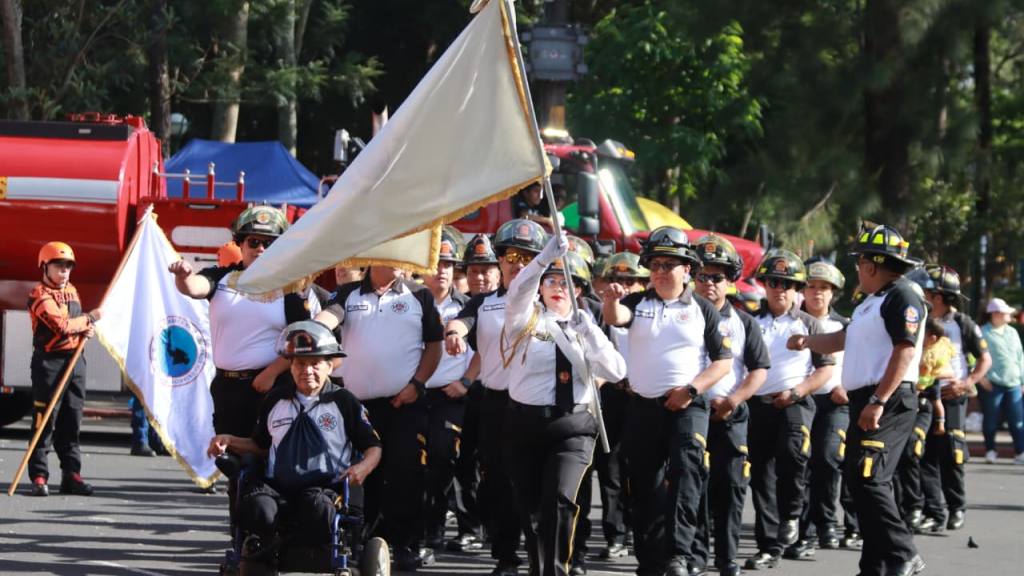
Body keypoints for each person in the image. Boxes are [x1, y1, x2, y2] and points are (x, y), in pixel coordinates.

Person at [789, 223, 926, 576]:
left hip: (888, 399)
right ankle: (875, 566)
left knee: (869, 477)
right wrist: (806, 342)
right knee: (857, 480)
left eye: (859, 264)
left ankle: (903, 554)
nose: (858, 272)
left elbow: (905, 352)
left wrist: (879, 400)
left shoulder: (902, 295)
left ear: (869, 266)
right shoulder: (870, 303)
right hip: (865, 398)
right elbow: (840, 340)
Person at [168, 205, 319, 521]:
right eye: (253, 242)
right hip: (227, 386)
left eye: (269, 243)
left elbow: (303, 341)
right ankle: (243, 541)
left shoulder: (289, 288)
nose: (260, 249)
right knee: (234, 464)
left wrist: (272, 372)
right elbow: (195, 287)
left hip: (271, 388)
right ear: (240, 243)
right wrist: (183, 276)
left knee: (268, 460)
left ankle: (271, 531)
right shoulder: (222, 278)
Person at [603, 226, 733, 576]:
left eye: (669, 265)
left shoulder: (704, 309)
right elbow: (617, 319)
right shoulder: (638, 303)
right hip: (644, 408)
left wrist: (691, 390)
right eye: (655, 265)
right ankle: (650, 560)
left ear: (687, 269)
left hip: (688, 407)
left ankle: (679, 554)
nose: (660, 272)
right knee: (643, 486)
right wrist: (611, 301)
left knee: (686, 474)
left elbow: (723, 361)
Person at [206, 320, 382, 568]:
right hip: (279, 486)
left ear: (329, 365)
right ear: (290, 366)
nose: (307, 371)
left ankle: (315, 557)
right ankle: (265, 556)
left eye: (315, 364)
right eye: (300, 364)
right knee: (257, 508)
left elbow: (373, 447)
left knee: (316, 508)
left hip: (326, 486)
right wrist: (228, 440)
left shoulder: (343, 402)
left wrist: (363, 468)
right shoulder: (276, 400)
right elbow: (259, 445)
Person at [502, 233, 626, 576]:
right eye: (551, 280)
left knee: (559, 500)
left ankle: (554, 571)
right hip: (525, 425)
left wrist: (590, 334)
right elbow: (517, 292)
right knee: (530, 510)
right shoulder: (523, 319)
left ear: (580, 290)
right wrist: (541, 260)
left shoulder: (587, 325)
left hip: (572, 428)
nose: (558, 287)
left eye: (567, 282)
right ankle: (537, 566)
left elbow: (616, 371)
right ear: (541, 287)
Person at [315, 259, 444, 571]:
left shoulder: (419, 295)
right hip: (359, 409)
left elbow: (434, 345)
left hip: (405, 403)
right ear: (376, 259)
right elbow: (327, 319)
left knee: (406, 474)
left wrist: (417, 384)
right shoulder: (347, 294)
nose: (402, 263)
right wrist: (315, 327)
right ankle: (361, 542)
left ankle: (405, 545)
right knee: (362, 476)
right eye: (394, 257)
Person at [445, 218, 548, 576]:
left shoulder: (549, 301)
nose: (518, 263)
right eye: (510, 256)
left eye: (527, 257)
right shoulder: (484, 303)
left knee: (535, 484)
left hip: (538, 407)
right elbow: (461, 321)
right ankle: (506, 557)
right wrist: (454, 334)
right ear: (500, 260)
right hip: (494, 404)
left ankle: (542, 558)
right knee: (498, 482)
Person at [744, 250, 834, 571]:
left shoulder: (810, 323)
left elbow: (824, 370)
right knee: (762, 476)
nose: (779, 288)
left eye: (786, 283)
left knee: (794, 456)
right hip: (758, 405)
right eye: (773, 282)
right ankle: (769, 545)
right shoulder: (750, 321)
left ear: (797, 289)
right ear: (764, 285)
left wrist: (796, 392)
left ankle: (793, 513)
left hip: (796, 402)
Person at [691, 234, 770, 576]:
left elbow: (760, 371)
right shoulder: (680, 317)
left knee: (731, 488)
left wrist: (734, 400)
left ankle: (726, 559)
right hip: (688, 415)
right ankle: (692, 558)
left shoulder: (744, 322)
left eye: (717, 277)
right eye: (703, 275)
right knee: (691, 489)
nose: (709, 283)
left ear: (730, 281)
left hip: (730, 416)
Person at [790, 256, 856, 557]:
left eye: (824, 288)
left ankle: (828, 521)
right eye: (811, 286)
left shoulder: (846, 326)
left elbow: (859, 362)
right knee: (800, 463)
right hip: (799, 401)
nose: (817, 293)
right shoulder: (790, 321)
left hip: (833, 403)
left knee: (829, 460)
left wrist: (847, 387)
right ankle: (804, 529)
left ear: (834, 293)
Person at [917, 264, 990, 532]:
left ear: (937, 296)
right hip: (923, 395)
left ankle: (956, 507)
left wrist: (966, 383)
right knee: (923, 453)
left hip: (952, 396)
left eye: (926, 292)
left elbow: (985, 359)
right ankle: (933, 511)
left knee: (952, 453)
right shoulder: (919, 320)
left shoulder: (962, 323)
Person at [27, 241, 102, 497]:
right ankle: (39, 476)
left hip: (75, 361)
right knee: (44, 420)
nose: (65, 272)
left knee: (72, 420)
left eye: (68, 267)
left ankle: (72, 475)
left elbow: (76, 326)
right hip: (49, 363)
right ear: (45, 267)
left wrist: (87, 329)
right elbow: (61, 325)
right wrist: (89, 319)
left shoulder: (72, 290)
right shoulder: (39, 294)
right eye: (59, 267)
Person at [593, 252, 650, 562]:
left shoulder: (651, 309)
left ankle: (643, 532)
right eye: (619, 281)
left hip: (646, 397)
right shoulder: (607, 312)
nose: (625, 287)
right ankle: (615, 534)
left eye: (632, 281)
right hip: (615, 395)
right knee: (610, 469)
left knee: (643, 469)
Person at [448, 233, 501, 553]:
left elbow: (489, 351)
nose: (480, 277)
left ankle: (498, 527)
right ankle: (470, 526)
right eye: (473, 270)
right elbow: (458, 324)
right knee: (463, 462)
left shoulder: (514, 301)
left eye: (486, 269)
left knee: (497, 465)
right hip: (463, 396)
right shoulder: (466, 304)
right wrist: (453, 331)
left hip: (497, 394)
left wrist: (467, 380)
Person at [421, 227, 473, 554]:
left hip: (450, 396)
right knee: (411, 464)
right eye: (436, 263)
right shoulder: (410, 303)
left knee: (442, 459)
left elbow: (485, 351)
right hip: (413, 394)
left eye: (448, 265)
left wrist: (465, 382)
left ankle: (437, 525)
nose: (442, 270)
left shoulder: (467, 307)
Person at [979, 297, 1024, 464]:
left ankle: (1020, 452)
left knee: (1017, 420)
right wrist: (981, 378)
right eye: (1006, 313)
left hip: (1014, 383)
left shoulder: (1012, 332)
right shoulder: (982, 331)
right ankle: (990, 450)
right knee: (990, 420)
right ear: (996, 314)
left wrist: (1023, 380)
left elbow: (1020, 356)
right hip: (992, 384)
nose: (1009, 316)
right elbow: (972, 356)